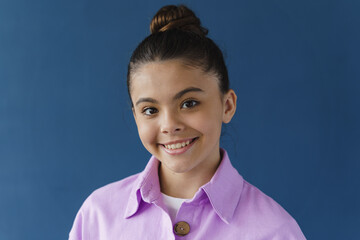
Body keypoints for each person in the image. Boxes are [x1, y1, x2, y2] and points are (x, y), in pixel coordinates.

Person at [69, 4, 306, 240]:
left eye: (189, 103)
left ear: (227, 106)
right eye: (150, 109)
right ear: (135, 116)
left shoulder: (275, 231)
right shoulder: (97, 217)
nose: (169, 125)